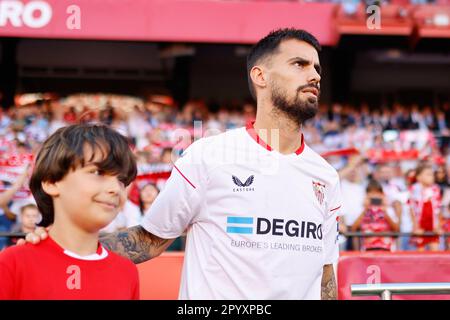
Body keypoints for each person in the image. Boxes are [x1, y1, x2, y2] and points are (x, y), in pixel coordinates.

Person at [25, 28, 342, 300]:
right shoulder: (210, 156)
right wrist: (58, 246)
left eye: (316, 68)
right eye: (299, 64)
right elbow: (149, 240)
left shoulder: (325, 176)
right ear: (260, 76)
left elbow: (326, 273)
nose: (314, 75)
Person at [0, 124, 139, 299]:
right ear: (52, 182)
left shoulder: (127, 272)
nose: (115, 188)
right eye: (97, 172)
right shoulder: (12, 264)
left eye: (121, 180)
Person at [352, 180, 399, 251]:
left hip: (386, 249)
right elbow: (353, 228)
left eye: (377, 193)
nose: (374, 196)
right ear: (367, 195)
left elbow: (396, 229)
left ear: (382, 194)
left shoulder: (388, 209)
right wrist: (365, 210)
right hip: (367, 249)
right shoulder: (361, 209)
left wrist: (384, 211)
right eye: (371, 193)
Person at [408, 162, 442, 252]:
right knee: (420, 251)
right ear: (419, 177)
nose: (431, 177)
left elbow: (438, 209)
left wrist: (438, 226)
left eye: (432, 174)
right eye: (428, 175)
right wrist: (415, 227)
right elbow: (411, 209)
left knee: (435, 251)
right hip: (420, 226)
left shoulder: (435, 189)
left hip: (432, 226)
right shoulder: (414, 189)